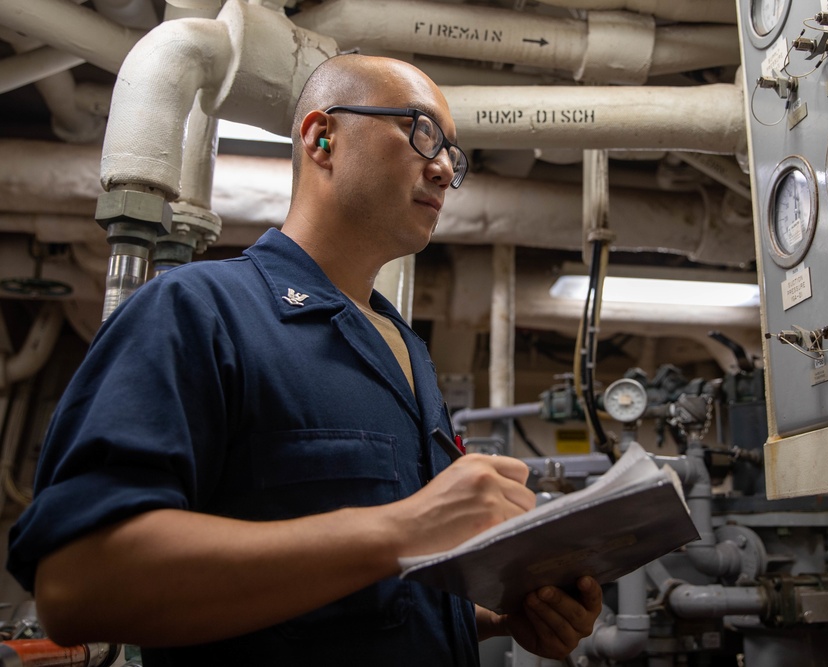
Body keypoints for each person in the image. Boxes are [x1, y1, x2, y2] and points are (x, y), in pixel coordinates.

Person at [6, 54, 602, 665]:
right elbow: (79, 582)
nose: (445, 167)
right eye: (421, 132)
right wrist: (402, 529)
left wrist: (488, 618)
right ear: (322, 138)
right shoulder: (199, 310)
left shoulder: (408, 351)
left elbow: (353, 601)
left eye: (455, 153)